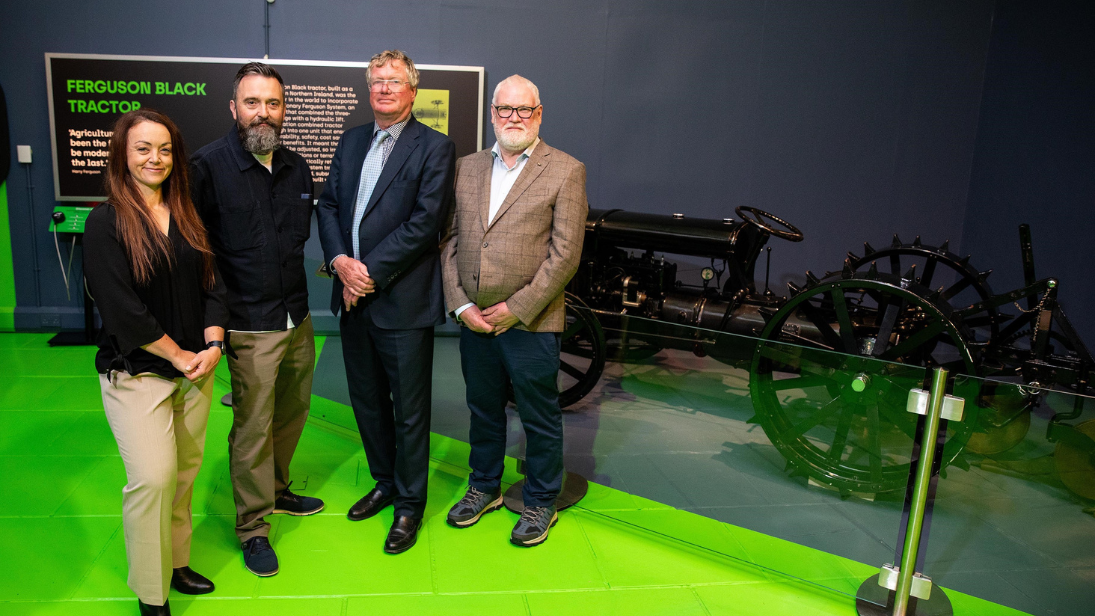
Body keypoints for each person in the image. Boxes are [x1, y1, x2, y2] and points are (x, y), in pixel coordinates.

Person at [84, 109, 228, 616]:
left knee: (184, 474)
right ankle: (151, 590)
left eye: (164, 149)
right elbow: (123, 309)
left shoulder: (187, 212)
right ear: (123, 155)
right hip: (138, 372)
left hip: (196, 369)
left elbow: (214, 281)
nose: (155, 158)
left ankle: (177, 562)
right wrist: (180, 353)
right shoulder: (106, 222)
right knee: (152, 478)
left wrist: (213, 342)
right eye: (143, 148)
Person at [316, 50, 455, 554]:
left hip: (400, 301)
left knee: (410, 411)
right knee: (367, 401)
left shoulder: (435, 147)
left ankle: (410, 505)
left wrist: (366, 273)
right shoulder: (352, 140)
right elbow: (329, 204)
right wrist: (338, 261)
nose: (384, 89)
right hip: (352, 299)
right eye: (376, 81)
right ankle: (384, 482)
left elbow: (426, 222)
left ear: (412, 91)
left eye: (394, 82)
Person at [440, 75, 587, 546]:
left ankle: (542, 500)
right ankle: (483, 486)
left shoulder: (565, 170)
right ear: (492, 114)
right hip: (474, 321)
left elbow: (565, 256)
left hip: (533, 322)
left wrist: (516, 308)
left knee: (538, 415)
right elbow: (448, 241)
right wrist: (461, 304)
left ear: (539, 114)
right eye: (505, 110)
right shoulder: (464, 168)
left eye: (524, 110)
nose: (514, 118)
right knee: (482, 410)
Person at [190, 62, 323, 577]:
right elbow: (201, 258)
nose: (262, 113)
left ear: (283, 109)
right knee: (251, 428)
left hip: (297, 316)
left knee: (291, 414)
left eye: (272, 103)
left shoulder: (298, 167)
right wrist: (213, 329)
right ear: (233, 108)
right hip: (247, 324)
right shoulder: (207, 168)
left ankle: (278, 490)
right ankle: (253, 527)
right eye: (252, 102)